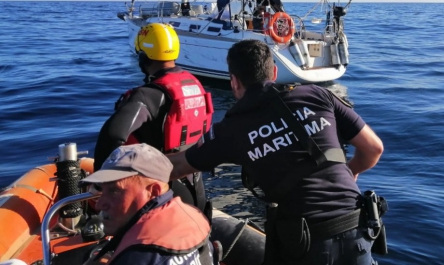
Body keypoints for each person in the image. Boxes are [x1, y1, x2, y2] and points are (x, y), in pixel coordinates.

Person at [169, 39, 385, 264]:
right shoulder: (317, 95)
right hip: (357, 227)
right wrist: (349, 172)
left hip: (307, 242)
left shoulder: (231, 129)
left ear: (234, 82)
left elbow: (178, 166)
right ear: (273, 71)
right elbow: (373, 148)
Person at [93, 23, 213, 210]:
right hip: (194, 183)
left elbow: (113, 135)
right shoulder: (193, 85)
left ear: (143, 57)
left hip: (161, 190)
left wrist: (100, 182)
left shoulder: (148, 95)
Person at [82, 144, 214, 265]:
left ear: (153, 192)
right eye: (101, 189)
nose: (99, 205)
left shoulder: (137, 257)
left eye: (114, 191)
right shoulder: (192, 220)